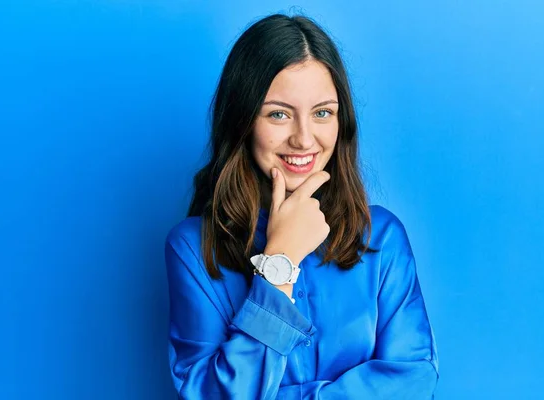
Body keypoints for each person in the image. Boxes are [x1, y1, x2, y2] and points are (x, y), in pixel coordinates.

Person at [164, 13, 439, 399]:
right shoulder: (194, 247)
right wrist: (281, 261)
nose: (304, 138)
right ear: (242, 121)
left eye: (322, 112)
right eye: (278, 114)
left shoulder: (383, 238)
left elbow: (414, 381)